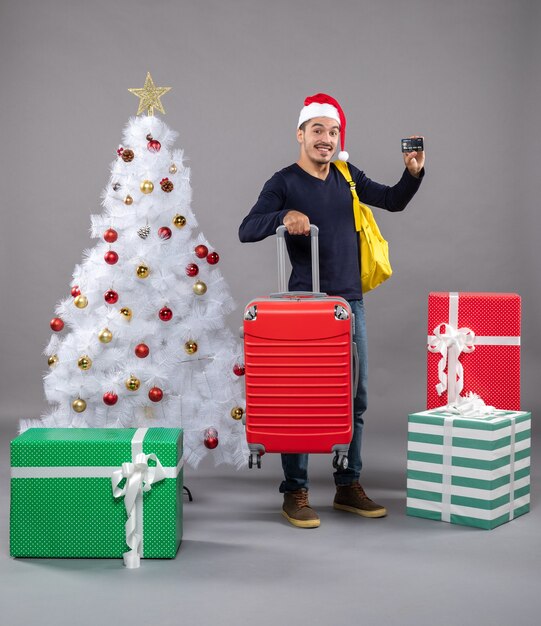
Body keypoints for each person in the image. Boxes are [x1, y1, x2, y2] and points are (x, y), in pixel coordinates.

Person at [238, 93, 425, 528]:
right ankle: (295, 492)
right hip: (302, 307)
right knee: (298, 398)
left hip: (348, 304)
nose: (326, 138)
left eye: (333, 131)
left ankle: (347, 485)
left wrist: (412, 174)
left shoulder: (347, 175)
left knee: (352, 396)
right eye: (317, 130)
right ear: (300, 134)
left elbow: (393, 199)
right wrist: (284, 216)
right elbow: (247, 228)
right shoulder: (283, 181)